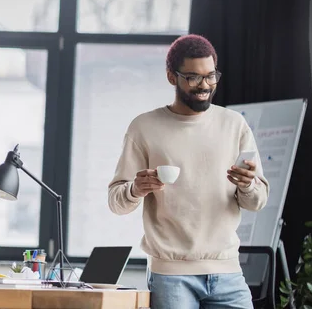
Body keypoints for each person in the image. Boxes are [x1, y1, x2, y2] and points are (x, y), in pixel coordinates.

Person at [108, 34, 269, 309]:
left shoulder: (234, 125)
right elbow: (116, 203)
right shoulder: (144, 127)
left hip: (228, 272)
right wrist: (136, 189)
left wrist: (247, 186)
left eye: (211, 76)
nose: (205, 85)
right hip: (171, 276)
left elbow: (258, 201)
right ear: (172, 77)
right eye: (193, 77)